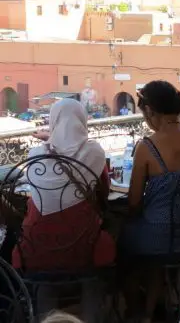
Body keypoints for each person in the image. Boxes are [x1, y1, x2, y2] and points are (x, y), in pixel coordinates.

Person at [12, 99, 115, 322]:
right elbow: (104, 195)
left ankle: (45, 317)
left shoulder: (35, 154)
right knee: (95, 265)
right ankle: (90, 317)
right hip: (82, 243)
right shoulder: (94, 152)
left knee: (45, 276)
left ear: (54, 121)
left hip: (36, 245)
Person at [119, 80, 180, 323]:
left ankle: (140, 313)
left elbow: (134, 203)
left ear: (150, 111)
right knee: (158, 233)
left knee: (126, 243)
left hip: (160, 239)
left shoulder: (147, 147)